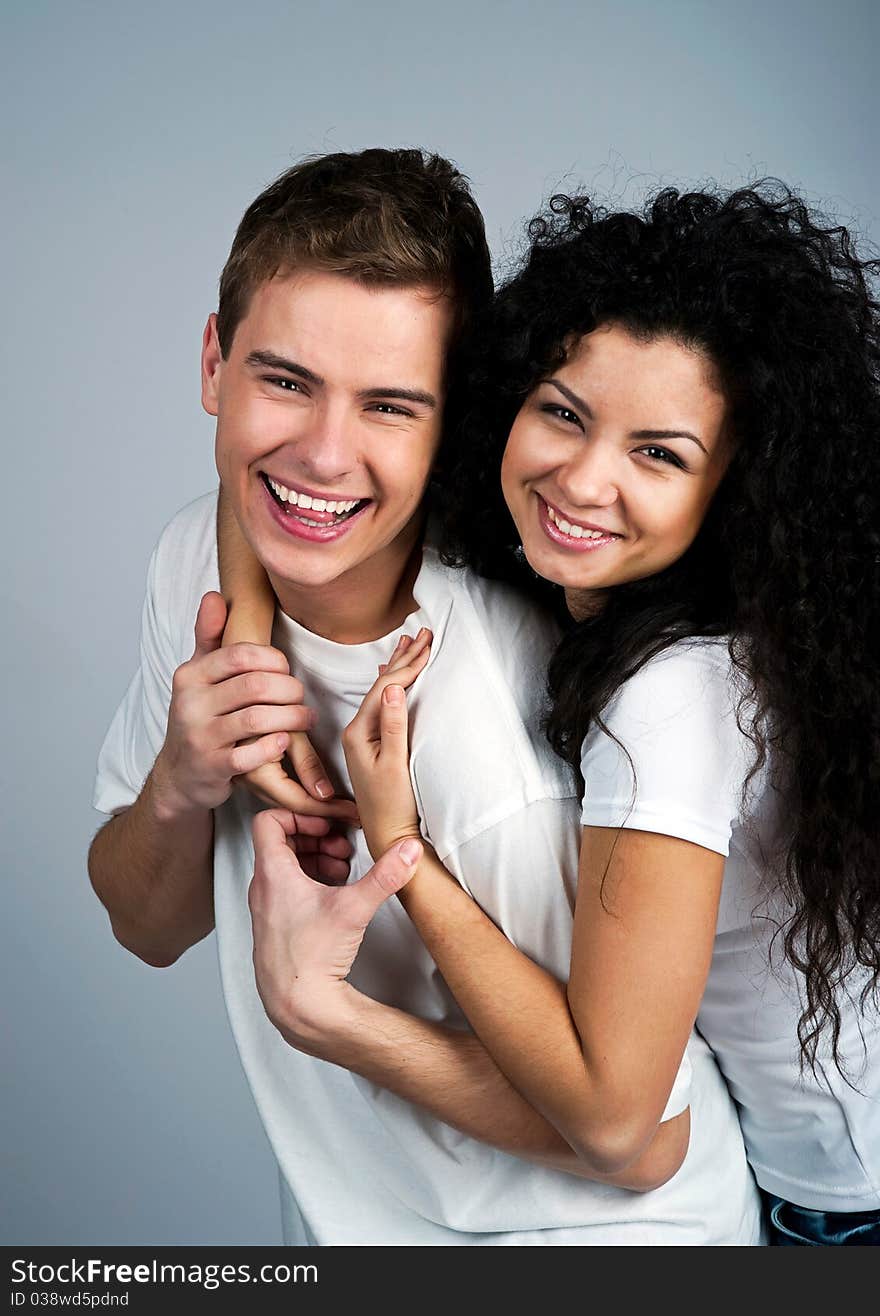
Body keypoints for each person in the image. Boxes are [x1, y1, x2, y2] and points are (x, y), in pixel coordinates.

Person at [89, 148, 763, 1245]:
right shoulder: (199, 572)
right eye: (286, 379)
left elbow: (640, 1136)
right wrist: (184, 775)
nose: (322, 452)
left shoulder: (491, 713)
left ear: (456, 422)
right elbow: (144, 922)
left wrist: (324, 1014)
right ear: (214, 363)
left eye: (391, 406)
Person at [333, 183, 880, 1246]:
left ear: (734, 488)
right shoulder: (685, 625)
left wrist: (397, 847)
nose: (582, 480)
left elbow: (612, 1112)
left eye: (659, 454)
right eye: (562, 412)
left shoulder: (674, 693)